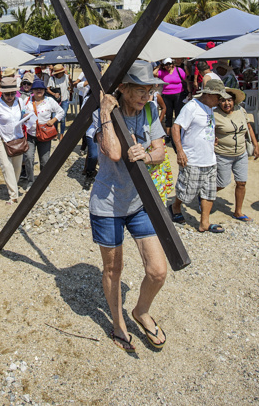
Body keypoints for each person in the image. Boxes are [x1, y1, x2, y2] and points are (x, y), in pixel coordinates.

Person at [87, 61, 168, 352]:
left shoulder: (150, 110)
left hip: (138, 201)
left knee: (158, 270)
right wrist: (105, 113)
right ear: (123, 88)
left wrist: (147, 155)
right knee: (114, 269)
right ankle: (118, 322)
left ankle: (141, 311)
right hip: (107, 205)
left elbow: (160, 151)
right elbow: (113, 152)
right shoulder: (102, 112)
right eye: (141, 90)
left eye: (150, 90)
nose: (147, 96)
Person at [170, 78, 225, 233]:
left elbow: (204, 128)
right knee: (187, 191)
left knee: (209, 192)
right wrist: (180, 151)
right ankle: (175, 207)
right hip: (193, 158)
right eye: (218, 97)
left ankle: (204, 223)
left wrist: (211, 138)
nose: (220, 100)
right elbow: (176, 127)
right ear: (208, 94)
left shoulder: (210, 108)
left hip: (209, 158)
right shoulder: (192, 107)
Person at [212, 83, 259, 221]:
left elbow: (249, 127)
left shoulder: (241, 110)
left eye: (229, 100)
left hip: (241, 153)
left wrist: (256, 145)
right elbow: (207, 132)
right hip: (223, 154)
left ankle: (238, 211)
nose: (226, 103)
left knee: (241, 182)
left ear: (234, 101)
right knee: (222, 183)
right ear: (218, 101)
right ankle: (205, 194)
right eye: (223, 100)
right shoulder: (214, 114)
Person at [0, 75, 34, 204]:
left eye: (12, 93)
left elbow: (24, 115)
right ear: (2, 93)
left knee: (17, 168)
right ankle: (13, 195)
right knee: (6, 166)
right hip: (1, 138)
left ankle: (13, 186)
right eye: (7, 94)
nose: (10, 96)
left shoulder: (20, 102)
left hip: (17, 139)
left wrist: (26, 117)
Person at [30, 79, 65, 172]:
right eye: (36, 89)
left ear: (44, 90)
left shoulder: (49, 100)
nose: (39, 90)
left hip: (45, 134)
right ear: (32, 90)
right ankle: (30, 179)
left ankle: (43, 179)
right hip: (30, 134)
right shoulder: (27, 100)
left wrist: (53, 120)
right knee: (28, 159)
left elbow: (61, 112)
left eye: (41, 89)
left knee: (45, 161)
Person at [156, 58, 186, 136]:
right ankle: (168, 134)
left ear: (172, 64)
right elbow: (154, 73)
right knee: (168, 115)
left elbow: (185, 78)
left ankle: (178, 133)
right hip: (167, 95)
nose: (168, 66)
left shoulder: (179, 70)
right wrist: (159, 66)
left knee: (178, 114)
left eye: (169, 64)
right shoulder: (162, 72)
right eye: (166, 64)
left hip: (178, 94)